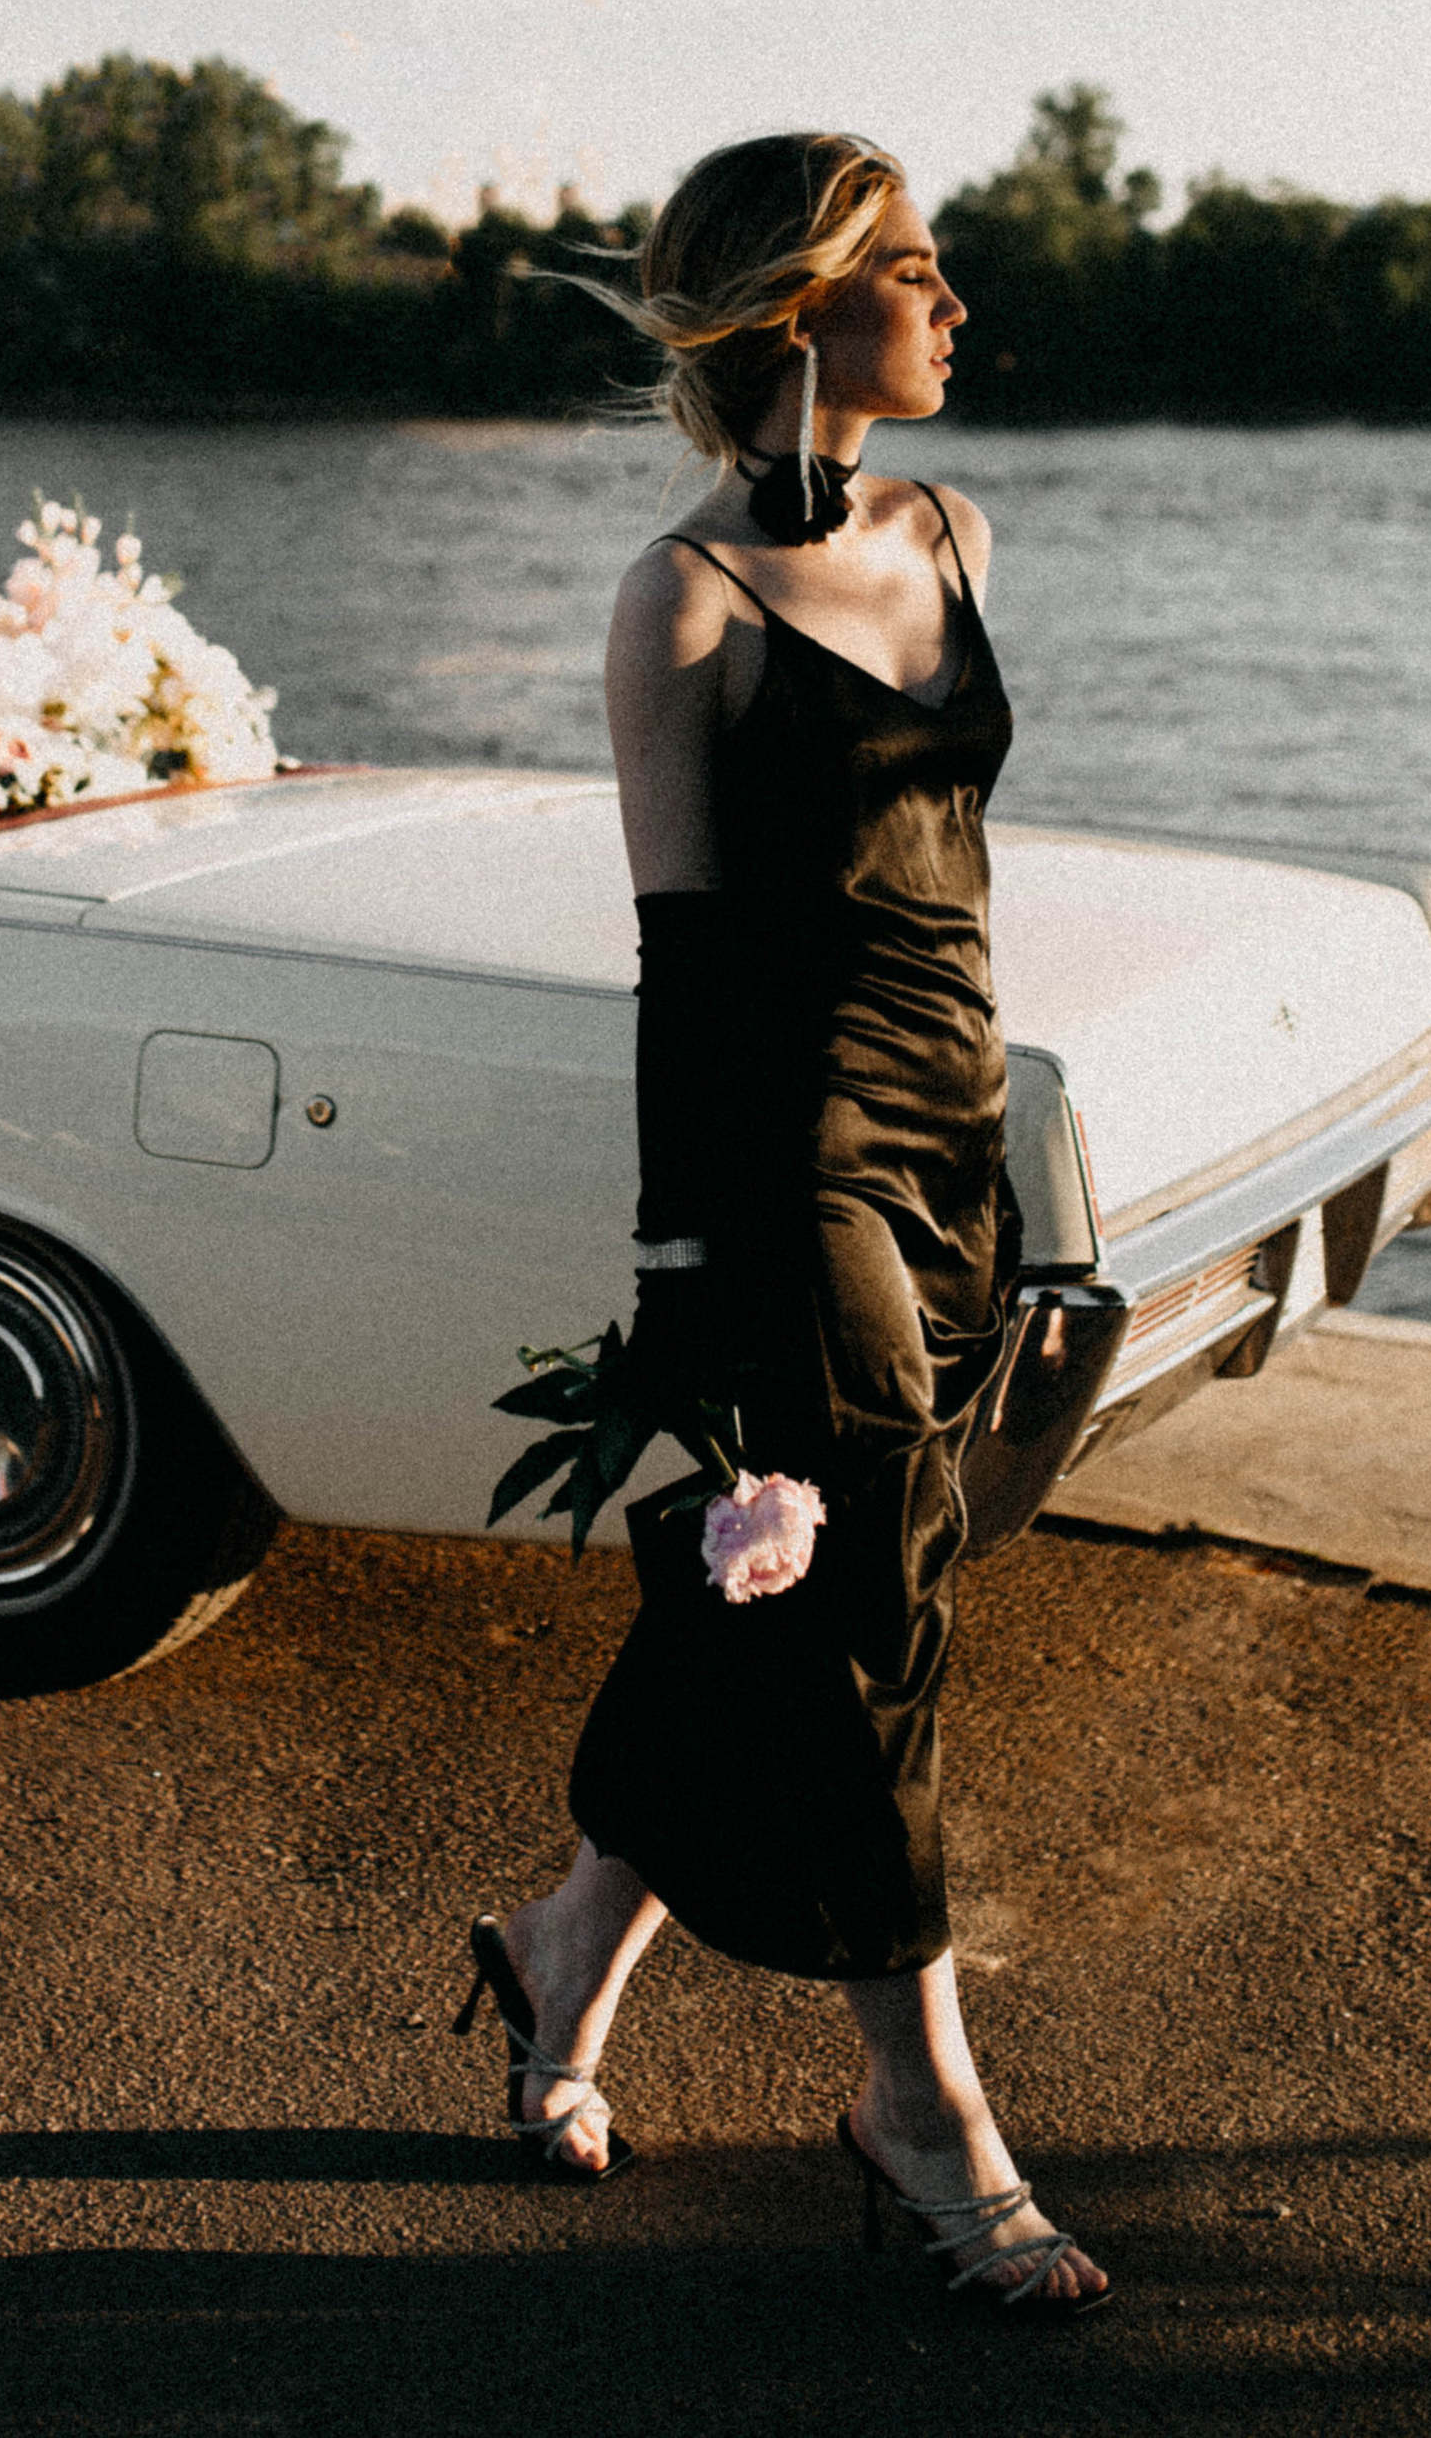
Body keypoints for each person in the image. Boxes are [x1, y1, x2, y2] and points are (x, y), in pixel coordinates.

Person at [456, 129, 1109, 2315]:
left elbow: (946, 866)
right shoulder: (683, 601)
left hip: (948, 1126)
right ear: (799, 305)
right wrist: (675, 1275)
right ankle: (919, 2114)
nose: (951, 305)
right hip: (791, 1156)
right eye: (912, 269)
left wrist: (999, 1131)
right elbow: (684, 970)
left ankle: (559, 1949)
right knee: (870, 1625)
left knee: (800, 1586)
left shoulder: (947, 525)